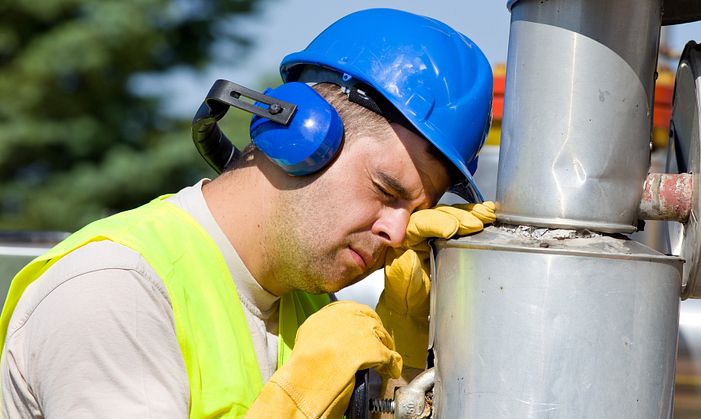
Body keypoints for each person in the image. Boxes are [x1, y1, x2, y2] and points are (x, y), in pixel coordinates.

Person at [0, 8, 495, 418]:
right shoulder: (116, 289)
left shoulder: (308, 311)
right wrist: (297, 406)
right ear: (300, 134)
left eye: (417, 210)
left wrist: (404, 377)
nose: (397, 231)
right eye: (386, 190)